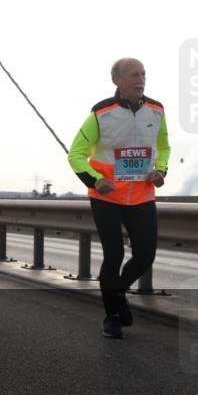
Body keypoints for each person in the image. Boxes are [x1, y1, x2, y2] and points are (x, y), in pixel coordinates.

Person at [67, 57, 169, 339]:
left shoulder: (157, 110)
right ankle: (111, 316)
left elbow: (164, 147)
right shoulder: (101, 113)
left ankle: (118, 293)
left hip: (142, 196)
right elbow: (75, 153)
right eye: (134, 75)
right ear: (117, 81)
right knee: (114, 255)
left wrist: (160, 171)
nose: (141, 79)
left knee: (146, 254)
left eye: (144, 74)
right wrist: (96, 180)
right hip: (107, 197)